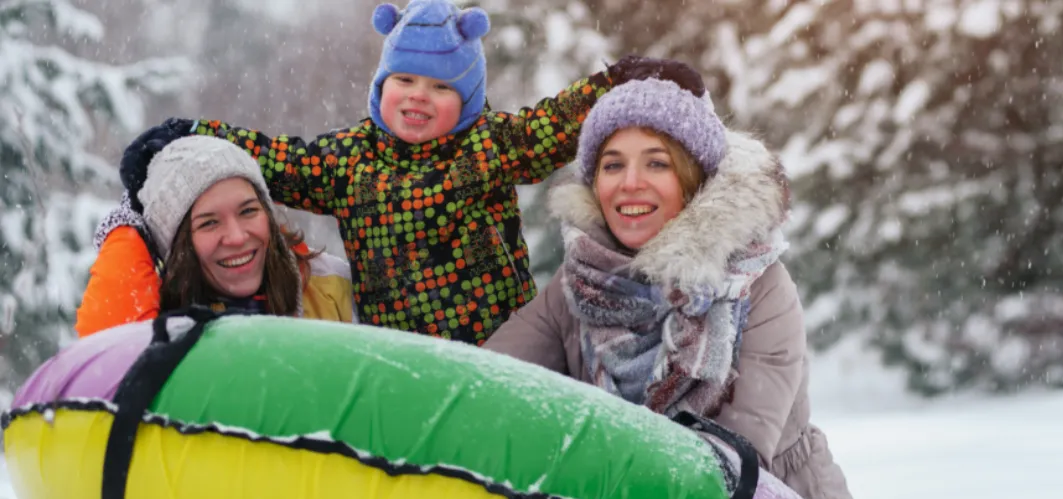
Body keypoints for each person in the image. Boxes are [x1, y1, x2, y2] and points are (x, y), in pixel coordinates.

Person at [482, 76, 1002, 499]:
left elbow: (730, 462)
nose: (629, 183)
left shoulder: (760, 288)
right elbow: (486, 378)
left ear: (692, 178)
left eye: (656, 163)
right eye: (612, 164)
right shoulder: (579, 284)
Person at [102, 0, 705, 346]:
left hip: (500, 341)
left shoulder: (489, 145)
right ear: (381, 87)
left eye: (441, 87)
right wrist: (193, 136)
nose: (419, 97)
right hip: (400, 348)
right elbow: (276, 161)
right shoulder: (347, 162)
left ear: (466, 100)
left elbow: (553, 123)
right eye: (405, 82)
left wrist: (620, 80)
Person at [75, 136, 355, 337]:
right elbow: (110, 364)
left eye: (248, 211)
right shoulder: (159, 327)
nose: (236, 237)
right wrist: (125, 238)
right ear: (177, 247)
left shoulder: (332, 289)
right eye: (209, 223)